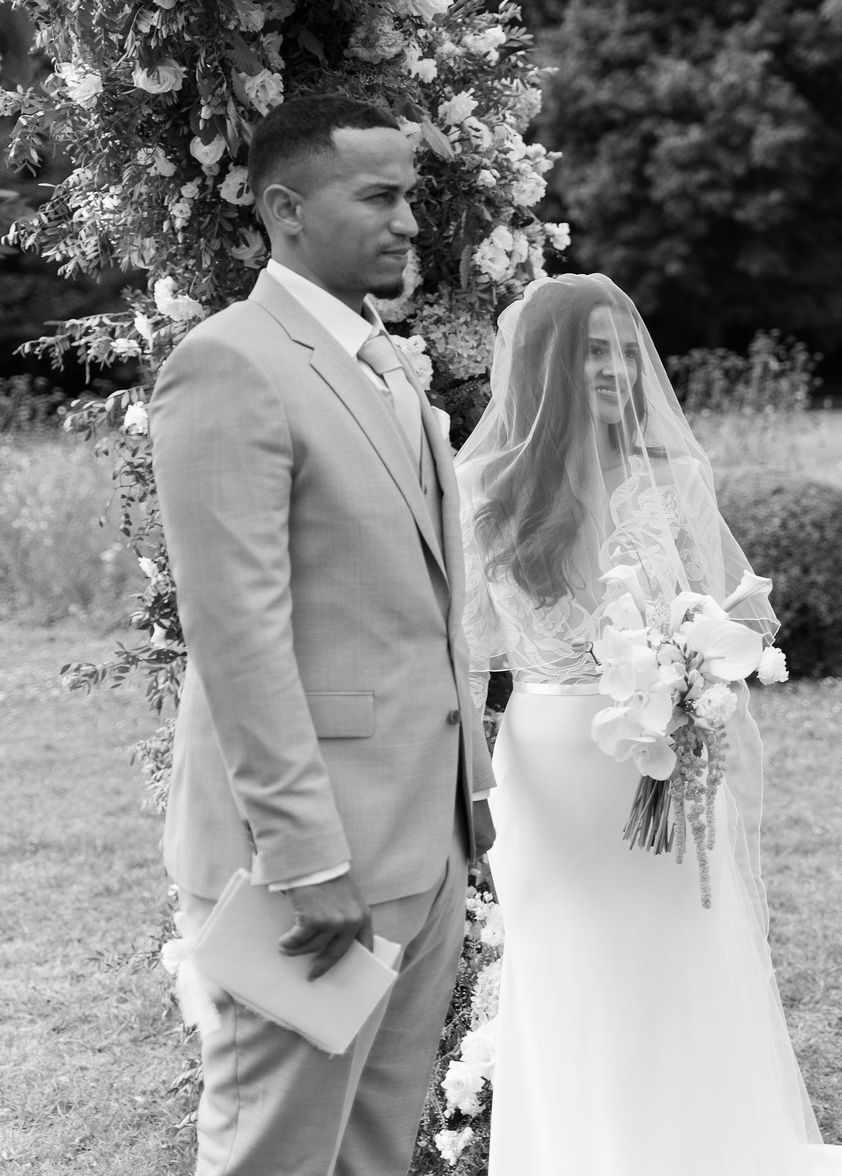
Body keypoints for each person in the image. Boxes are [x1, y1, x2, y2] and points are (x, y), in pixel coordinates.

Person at [456, 272, 842, 1176]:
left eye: (619, 349)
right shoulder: (485, 483)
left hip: (661, 757)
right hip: (545, 768)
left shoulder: (672, 476)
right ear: (545, 364)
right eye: (589, 351)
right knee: (567, 975)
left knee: (672, 966)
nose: (612, 369)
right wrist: (472, 779)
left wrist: (689, 681)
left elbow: (718, 612)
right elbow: (462, 647)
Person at [149, 93, 495, 1176]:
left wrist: (466, 822)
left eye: (413, 197)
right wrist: (305, 859)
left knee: (375, 1152)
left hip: (421, 840)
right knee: (276, 1152)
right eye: (379, 196)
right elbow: (237, 639)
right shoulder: (231, 364)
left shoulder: (383, 358)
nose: (407, 223)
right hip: (314, 861)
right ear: (286, 207)